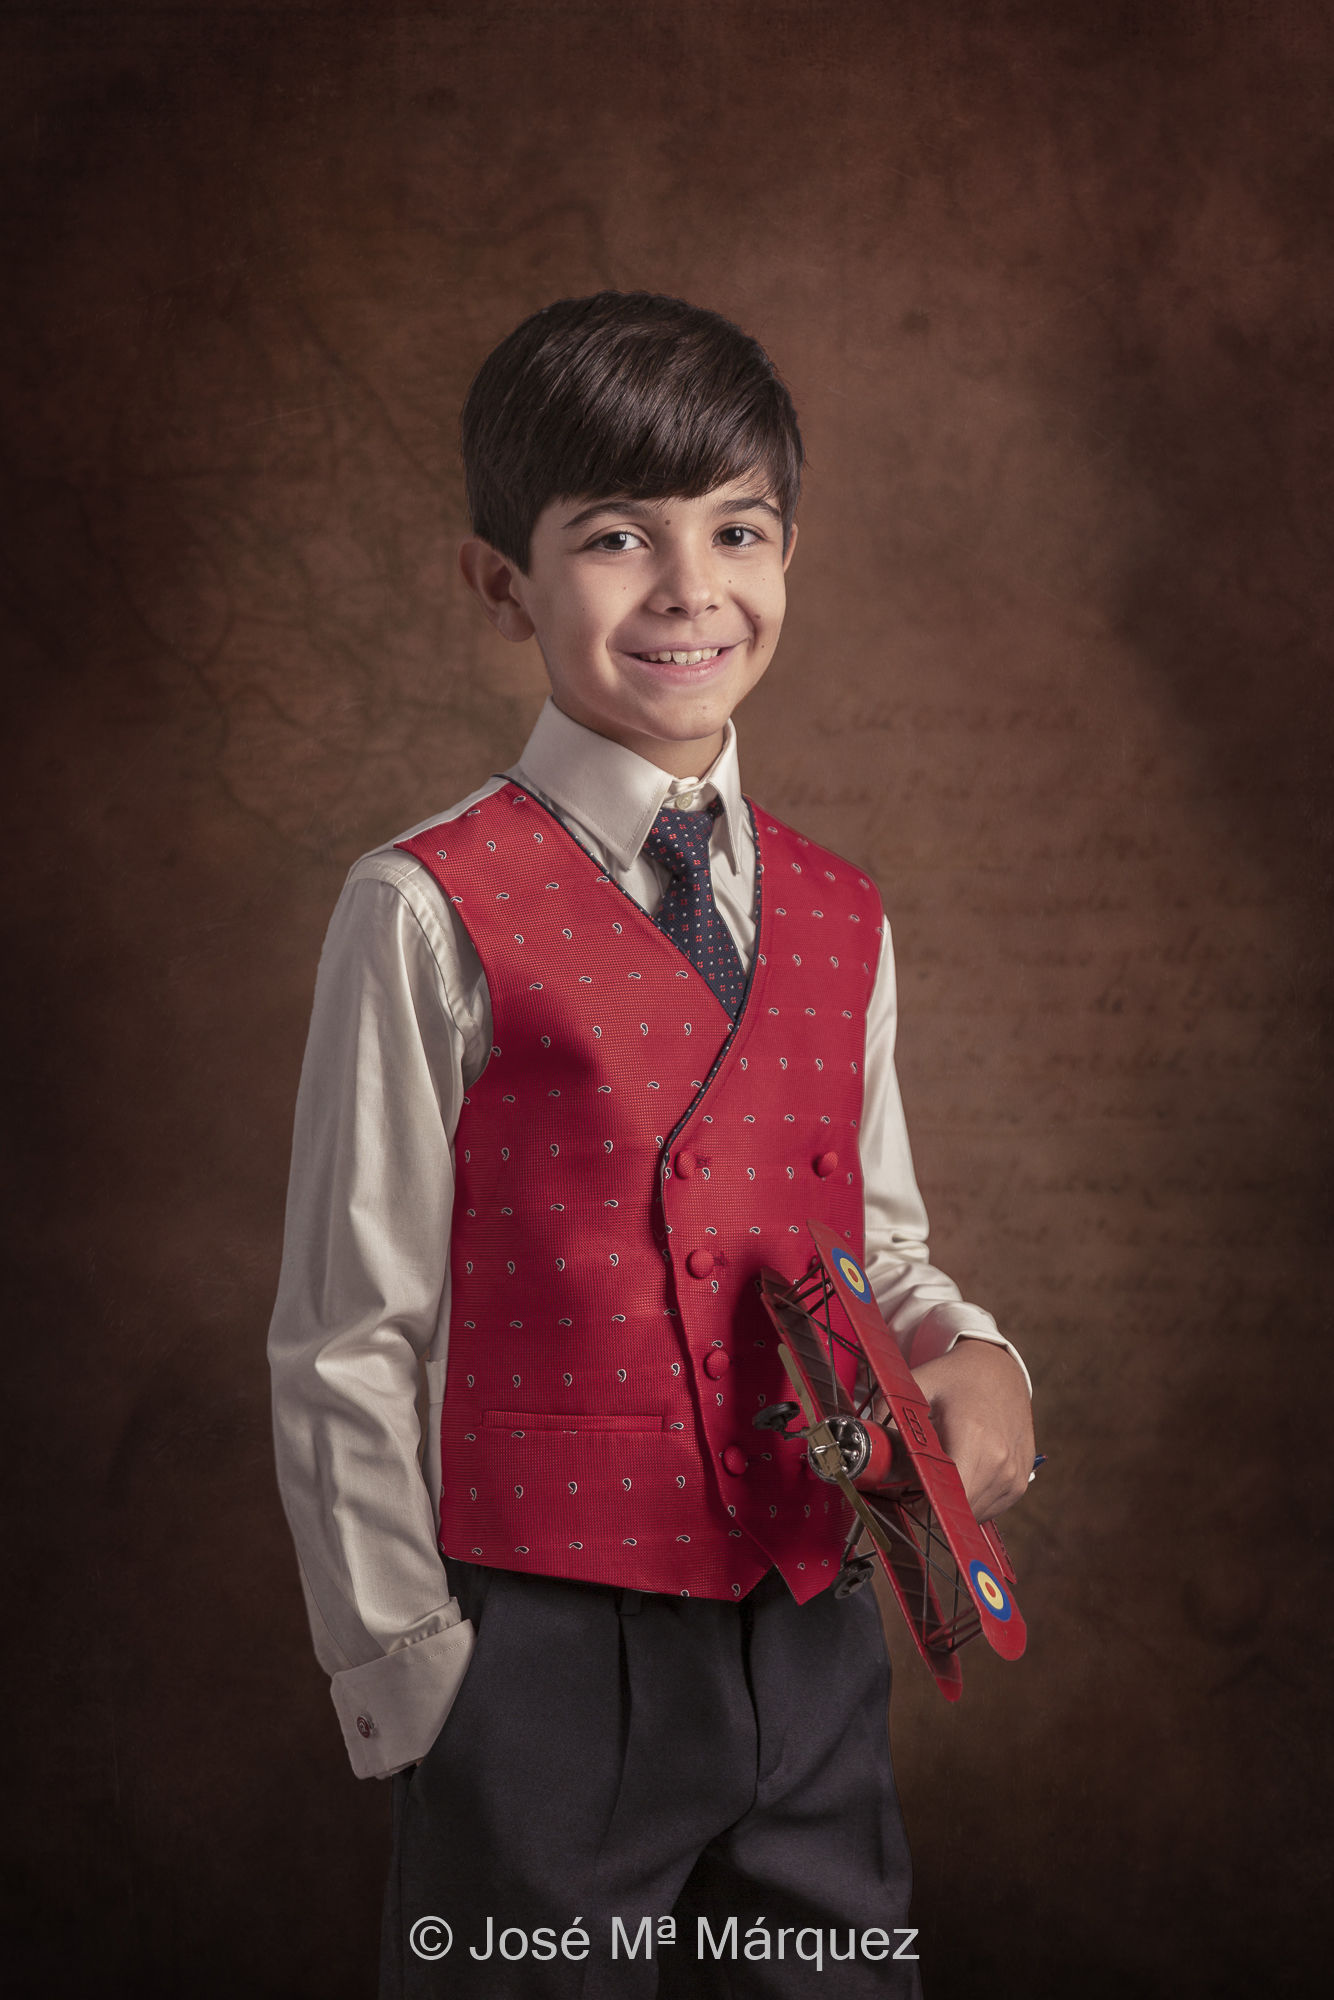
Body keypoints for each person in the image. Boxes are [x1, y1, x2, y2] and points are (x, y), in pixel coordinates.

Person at [267, 291, 1035, 1998]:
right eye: (616, 536)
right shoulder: (422, 906)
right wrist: (417, 1675)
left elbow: (875, 1248)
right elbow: (346, 1336)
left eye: (736, 530)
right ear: (504, 583)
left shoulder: (842, 911)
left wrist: (970, 1353)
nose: (691, 589)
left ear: (786, 553)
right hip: (538, 1656)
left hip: (810, 1641)